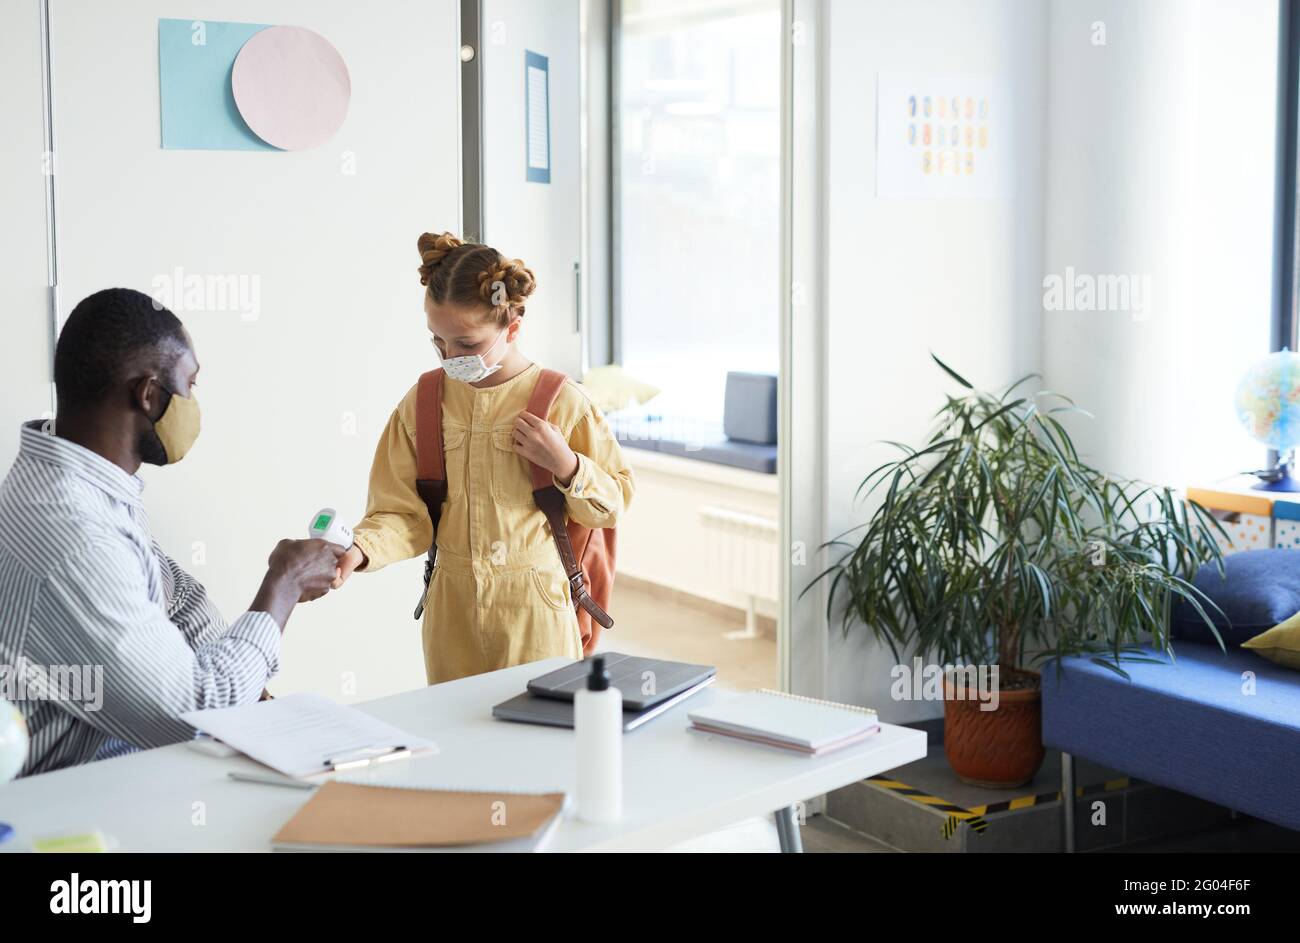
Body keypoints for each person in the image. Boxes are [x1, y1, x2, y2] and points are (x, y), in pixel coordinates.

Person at [0, 288, 342, 776]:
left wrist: (244, 682)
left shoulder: (86, 481)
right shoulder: (75, 534)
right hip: (56, 797)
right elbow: (193, 713)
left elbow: (177, 597)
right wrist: (281, 588)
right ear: (148, 394)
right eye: (191, 385)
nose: (194, 405)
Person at [333, 232, 634, 683]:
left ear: (512, 328)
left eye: (468, 344)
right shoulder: (424, 401)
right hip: (450, 612)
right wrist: (359, 550)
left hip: (536, 610)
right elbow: (401, 514)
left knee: (537, 743)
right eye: (439, 342)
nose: (451, 356)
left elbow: (611, 506)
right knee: (459, 741)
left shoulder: (564, 401)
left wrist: (567, 466)